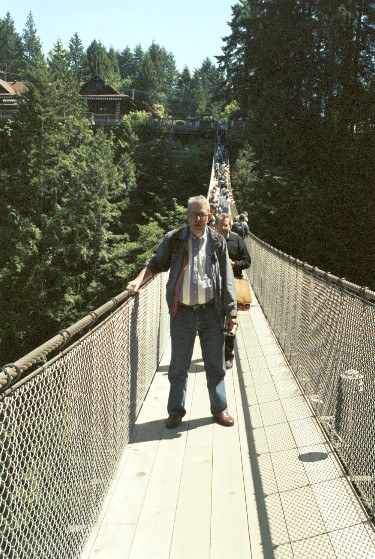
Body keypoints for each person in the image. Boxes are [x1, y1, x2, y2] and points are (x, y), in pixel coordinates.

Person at [126, 195, 237, 429]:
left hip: (211, 312)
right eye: (194, 214)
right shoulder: (176, 239)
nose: (198, 218)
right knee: (178, 365)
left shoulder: (217, 241)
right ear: (187, 216)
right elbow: (156, 263)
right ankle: (175, 411)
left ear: (209, 216)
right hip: (182, 312)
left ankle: (220, 409)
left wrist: (231, 312)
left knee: (215, 364)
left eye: (203, 214)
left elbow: (227, 279)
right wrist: (137, 281)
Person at [215, 214, 251, 370]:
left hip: (233, 285)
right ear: (215, 226)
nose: (224, 227)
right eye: (221, 225)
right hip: (214, 286)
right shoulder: (210, 241)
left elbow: (247, 261)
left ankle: (228, 357)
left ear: (231, 226)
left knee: (230, 321)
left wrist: (234, 264)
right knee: (215, 322)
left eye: (226, 225)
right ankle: (216, 354)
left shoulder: (237, 240)